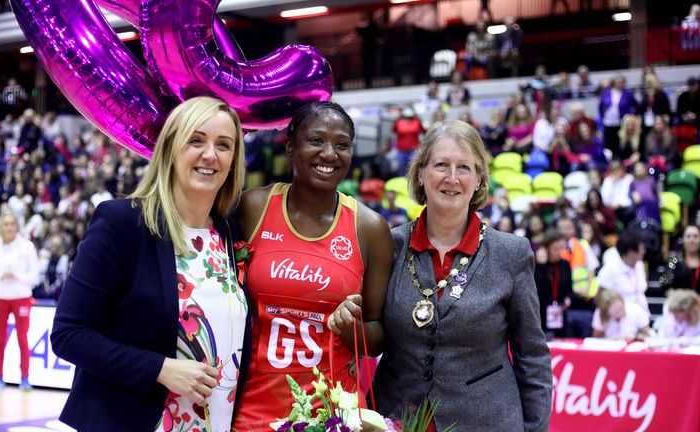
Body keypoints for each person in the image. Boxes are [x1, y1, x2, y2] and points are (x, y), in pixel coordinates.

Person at [51, 97, 250, 430]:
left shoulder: (231, 233)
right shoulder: (123, 223)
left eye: (224, 145)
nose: (210, 154)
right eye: (196, 140)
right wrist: (161, 369)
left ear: (233, 159)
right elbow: (69, 334)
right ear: (171, 149)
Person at [374, 120, 551, 431]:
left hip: (487, 422)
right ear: (420, 172)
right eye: (441, 165)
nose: (452, 178)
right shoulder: (389, 246)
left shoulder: (511, 253)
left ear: (479, 179)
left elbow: (532, 357)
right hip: (397, 419)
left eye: (464, 167)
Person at [231, 102, 393, 430]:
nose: (329, 153)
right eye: (316, 141)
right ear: (291, 147)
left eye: (342, 144)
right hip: (254, 409)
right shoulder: (252, 207)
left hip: (334, 414)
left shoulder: (370, 228)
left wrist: (351, 328)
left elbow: (378, 336)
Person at [0, 212, 40, 390]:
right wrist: (1, 275)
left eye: (12, 224)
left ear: (17, 226)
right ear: (1, 226)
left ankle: (25, 378)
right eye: (5, 224)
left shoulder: (27, 247)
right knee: (0, 339)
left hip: (21, 296)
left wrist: (17, 277)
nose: (9, 228)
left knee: (22, 338)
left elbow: (34, 276)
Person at [597, 230, 649, 315]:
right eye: (642, 248)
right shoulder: (610, 269)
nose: (644, 252)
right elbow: (599, 299)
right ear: (631, 252)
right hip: (620, 320)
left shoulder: (640, 265)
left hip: (642, 315)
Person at [660, 225, 700, 294]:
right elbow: (664, 281)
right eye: (688, 236)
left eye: (695, 236)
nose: (692, 240)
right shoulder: (673, 260)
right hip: (679, 302)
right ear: (683, 239)